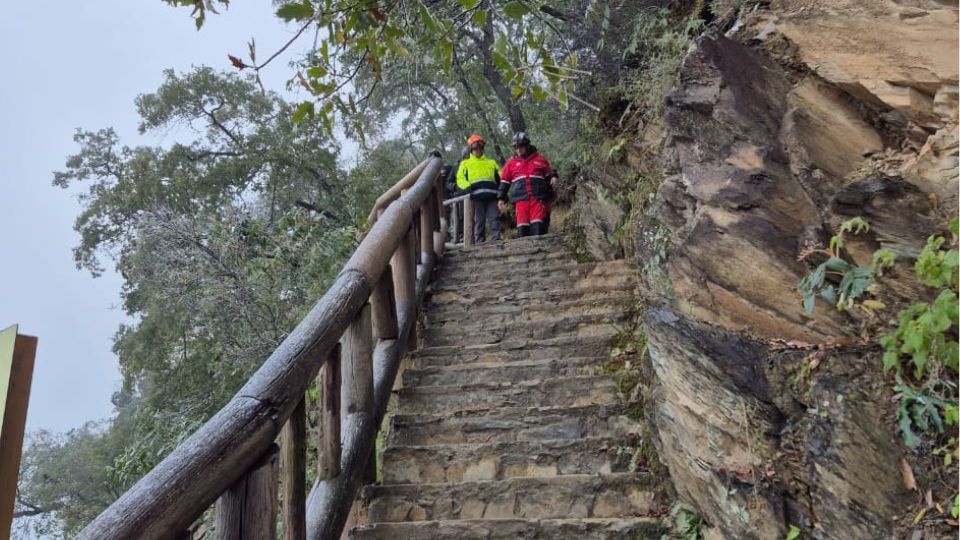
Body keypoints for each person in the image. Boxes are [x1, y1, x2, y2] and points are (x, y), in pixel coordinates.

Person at [498, 132, 557, 237]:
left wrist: (553, 177)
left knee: (538, 226)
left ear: (527, 145)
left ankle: (540, 250)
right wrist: (501, 199)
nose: (518, 149)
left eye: (520, 146)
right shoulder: (511, 163)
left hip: (537, 198)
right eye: (516, 147)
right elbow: (504, 181)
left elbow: (549, 171)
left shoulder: (539, 158)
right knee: (522, 227)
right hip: (520, 199)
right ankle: (524, 252)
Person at [456, 134, 502, 243]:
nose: (478, 150)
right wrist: (468, 190)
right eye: (475, 148)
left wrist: (502, 193)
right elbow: (460, 179)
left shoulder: (491, 162)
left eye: (480, 147)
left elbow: (501, 178)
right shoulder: (465, 164)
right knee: (479, 221)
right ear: (471, 149)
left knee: (494, 219)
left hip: (492, 196)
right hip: (476, 198)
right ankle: (479, 243)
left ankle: (497, 241)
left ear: (483, 148)